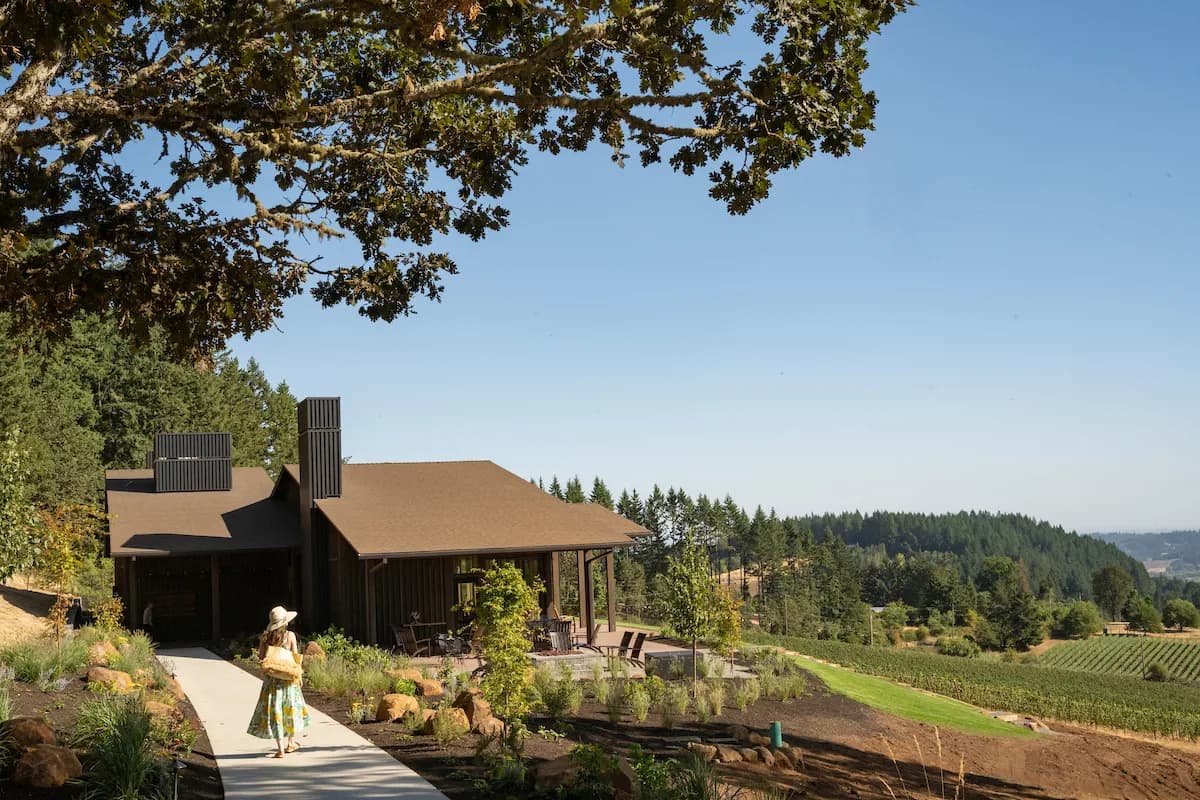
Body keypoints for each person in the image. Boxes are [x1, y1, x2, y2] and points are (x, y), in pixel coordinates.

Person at [247, 606, 310, 757]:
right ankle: (290, 743)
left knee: (275, 712)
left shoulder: (265, 637)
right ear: (285, 622)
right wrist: (298, 676)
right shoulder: (290, 636)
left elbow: (261, 658)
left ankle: (280, 748)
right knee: (289, 710)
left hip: (272, 681)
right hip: (288, 679)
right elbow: (296, 658)